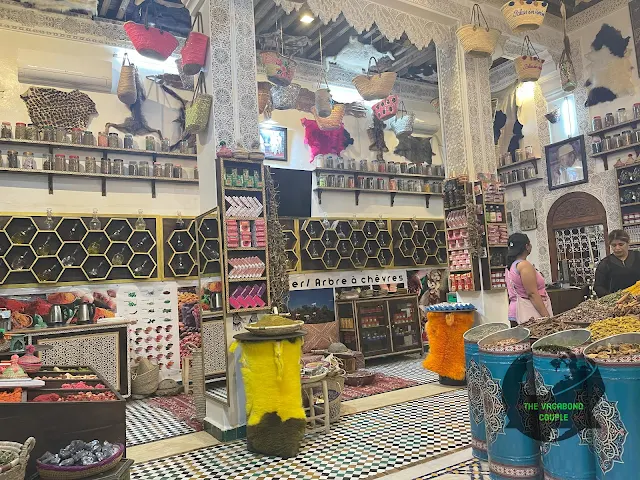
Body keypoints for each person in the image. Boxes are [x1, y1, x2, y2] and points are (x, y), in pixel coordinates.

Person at [505, 233, 553, 327]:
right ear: (527, 246)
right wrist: (547, 317)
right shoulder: (524, 265)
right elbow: (532, 294)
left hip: (515, 312)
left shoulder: (510, 266)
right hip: (529, 313)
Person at [594, 229, 640, 297]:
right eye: (614, 245)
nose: (617, 248)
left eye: (621, 244)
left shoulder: (638, 257)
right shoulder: (605, 264)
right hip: (618, 303)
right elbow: (598, 287)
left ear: (628, 243)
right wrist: (612, 297)